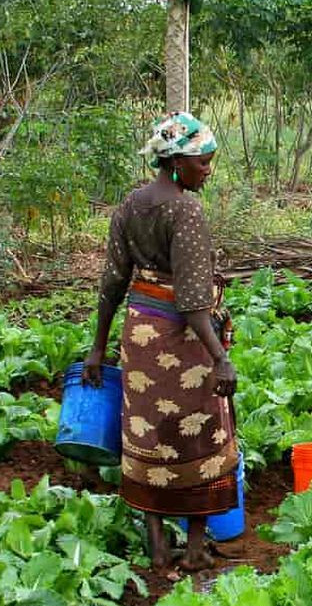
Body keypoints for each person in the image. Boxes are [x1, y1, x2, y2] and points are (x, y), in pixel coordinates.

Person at [84, 111, 238, 571]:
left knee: (148, 432)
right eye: (204, 162)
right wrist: (219, 358)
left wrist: (98, 347)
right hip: (183, 339)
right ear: (176, 162)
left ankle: (155, 546)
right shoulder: (185, 209)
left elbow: (113, 281)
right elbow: (192, 300)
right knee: (198, 434)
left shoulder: (131, 204)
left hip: (141, 336)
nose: (208, 170)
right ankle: (193, 551)